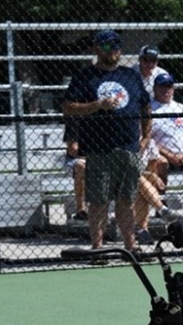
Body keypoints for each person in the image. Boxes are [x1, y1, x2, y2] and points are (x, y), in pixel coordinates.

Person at [62, 29, 152, 251]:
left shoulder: (130, 75)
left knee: (126, 200)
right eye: (106, 46)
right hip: (99, 148)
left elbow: (145, 106)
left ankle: (131, 246)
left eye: (116, 46)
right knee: (99, 201)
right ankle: (98, 247)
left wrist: (146, 136)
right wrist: (97, 105)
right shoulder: (85, 77)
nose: (112, 50)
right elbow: (68, 107)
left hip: (128, 147)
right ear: (96, 48)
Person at [149, 72, 183, 185]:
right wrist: (169, 155)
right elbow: (148, 139)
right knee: (160, 162)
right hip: (162, 155)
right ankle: (162, 198)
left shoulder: (182, 108)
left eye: (169, 86)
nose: (166, 89)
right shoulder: (149, 110)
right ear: (155, 88)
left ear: (173, 89)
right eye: (162, 86)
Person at [63, 117, 87, 221]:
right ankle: (81, 210)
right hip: (74, 160)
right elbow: (73, 149)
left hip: (94, 157)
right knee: (81, 166)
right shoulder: (74, 120)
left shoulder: (101, 119)